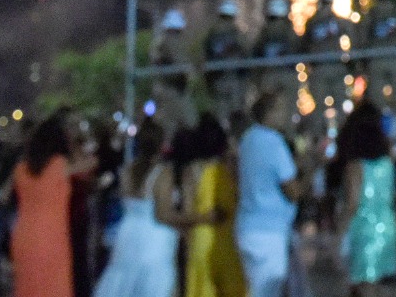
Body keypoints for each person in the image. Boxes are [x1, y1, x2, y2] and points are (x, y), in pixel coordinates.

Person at [96, 119, 220, 297]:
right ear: (161, 144)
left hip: (127, 239)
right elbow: (163, 214)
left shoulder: (127, 171)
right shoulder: (162, 173)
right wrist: (204, 217)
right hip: (155, 244)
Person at [235, 89, 303, 297]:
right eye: (282, 109)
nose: (286, 115)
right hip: (269, 231)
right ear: (270, 112)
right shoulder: (274, 142)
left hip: (247, 227)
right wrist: (311, 169)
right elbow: (292, 190)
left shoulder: (247, 139)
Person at [10, 115, 76, 297]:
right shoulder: (60, 165)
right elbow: (89, 163)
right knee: (53, 287)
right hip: (52, 237)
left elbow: (4, 196)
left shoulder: (21, 168)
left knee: (27, 287)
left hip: (24, 235)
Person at [339, 100, 396, 294]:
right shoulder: (388, 163)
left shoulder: (356, 166)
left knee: (364, 286)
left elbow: (353, 202)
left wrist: (339, 232)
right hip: (386, 226)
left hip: (364, 230)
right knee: (375, 284)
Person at [183, 115, 244, 297]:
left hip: (202, 239)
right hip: (229, 239)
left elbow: (187, 212)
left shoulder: (193, 171)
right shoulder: (231, 169)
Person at [204, 3, 249, 118]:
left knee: (221, 112)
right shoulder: (236, 33)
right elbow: (246, 51)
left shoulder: (211, 33)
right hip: (232, 78)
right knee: (236, 112)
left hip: (218, 79)